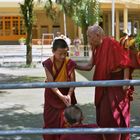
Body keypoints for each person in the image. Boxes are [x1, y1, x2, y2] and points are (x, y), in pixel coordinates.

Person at [75, 24, 133, 140]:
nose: (88, 40)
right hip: (103, 89)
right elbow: (89, 66)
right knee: (104, 118)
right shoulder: (95, 47)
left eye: (90, 37)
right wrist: (73, 66)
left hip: (115, 87)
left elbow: (126, 62)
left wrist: (126, 81)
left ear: (97, 35)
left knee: (115, 118)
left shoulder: (111, 43)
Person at [42, 39, 77, 140]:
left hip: (67, 94)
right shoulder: (48, 63)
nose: (62, 56)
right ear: (53, 51)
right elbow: (51, 83)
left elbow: (73, 82)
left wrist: (69, 95)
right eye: (60, 53)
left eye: (65, 53)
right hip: (52, 95)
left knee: (67, 121)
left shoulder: (69, 62)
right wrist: (61, 96)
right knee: (50, 122)